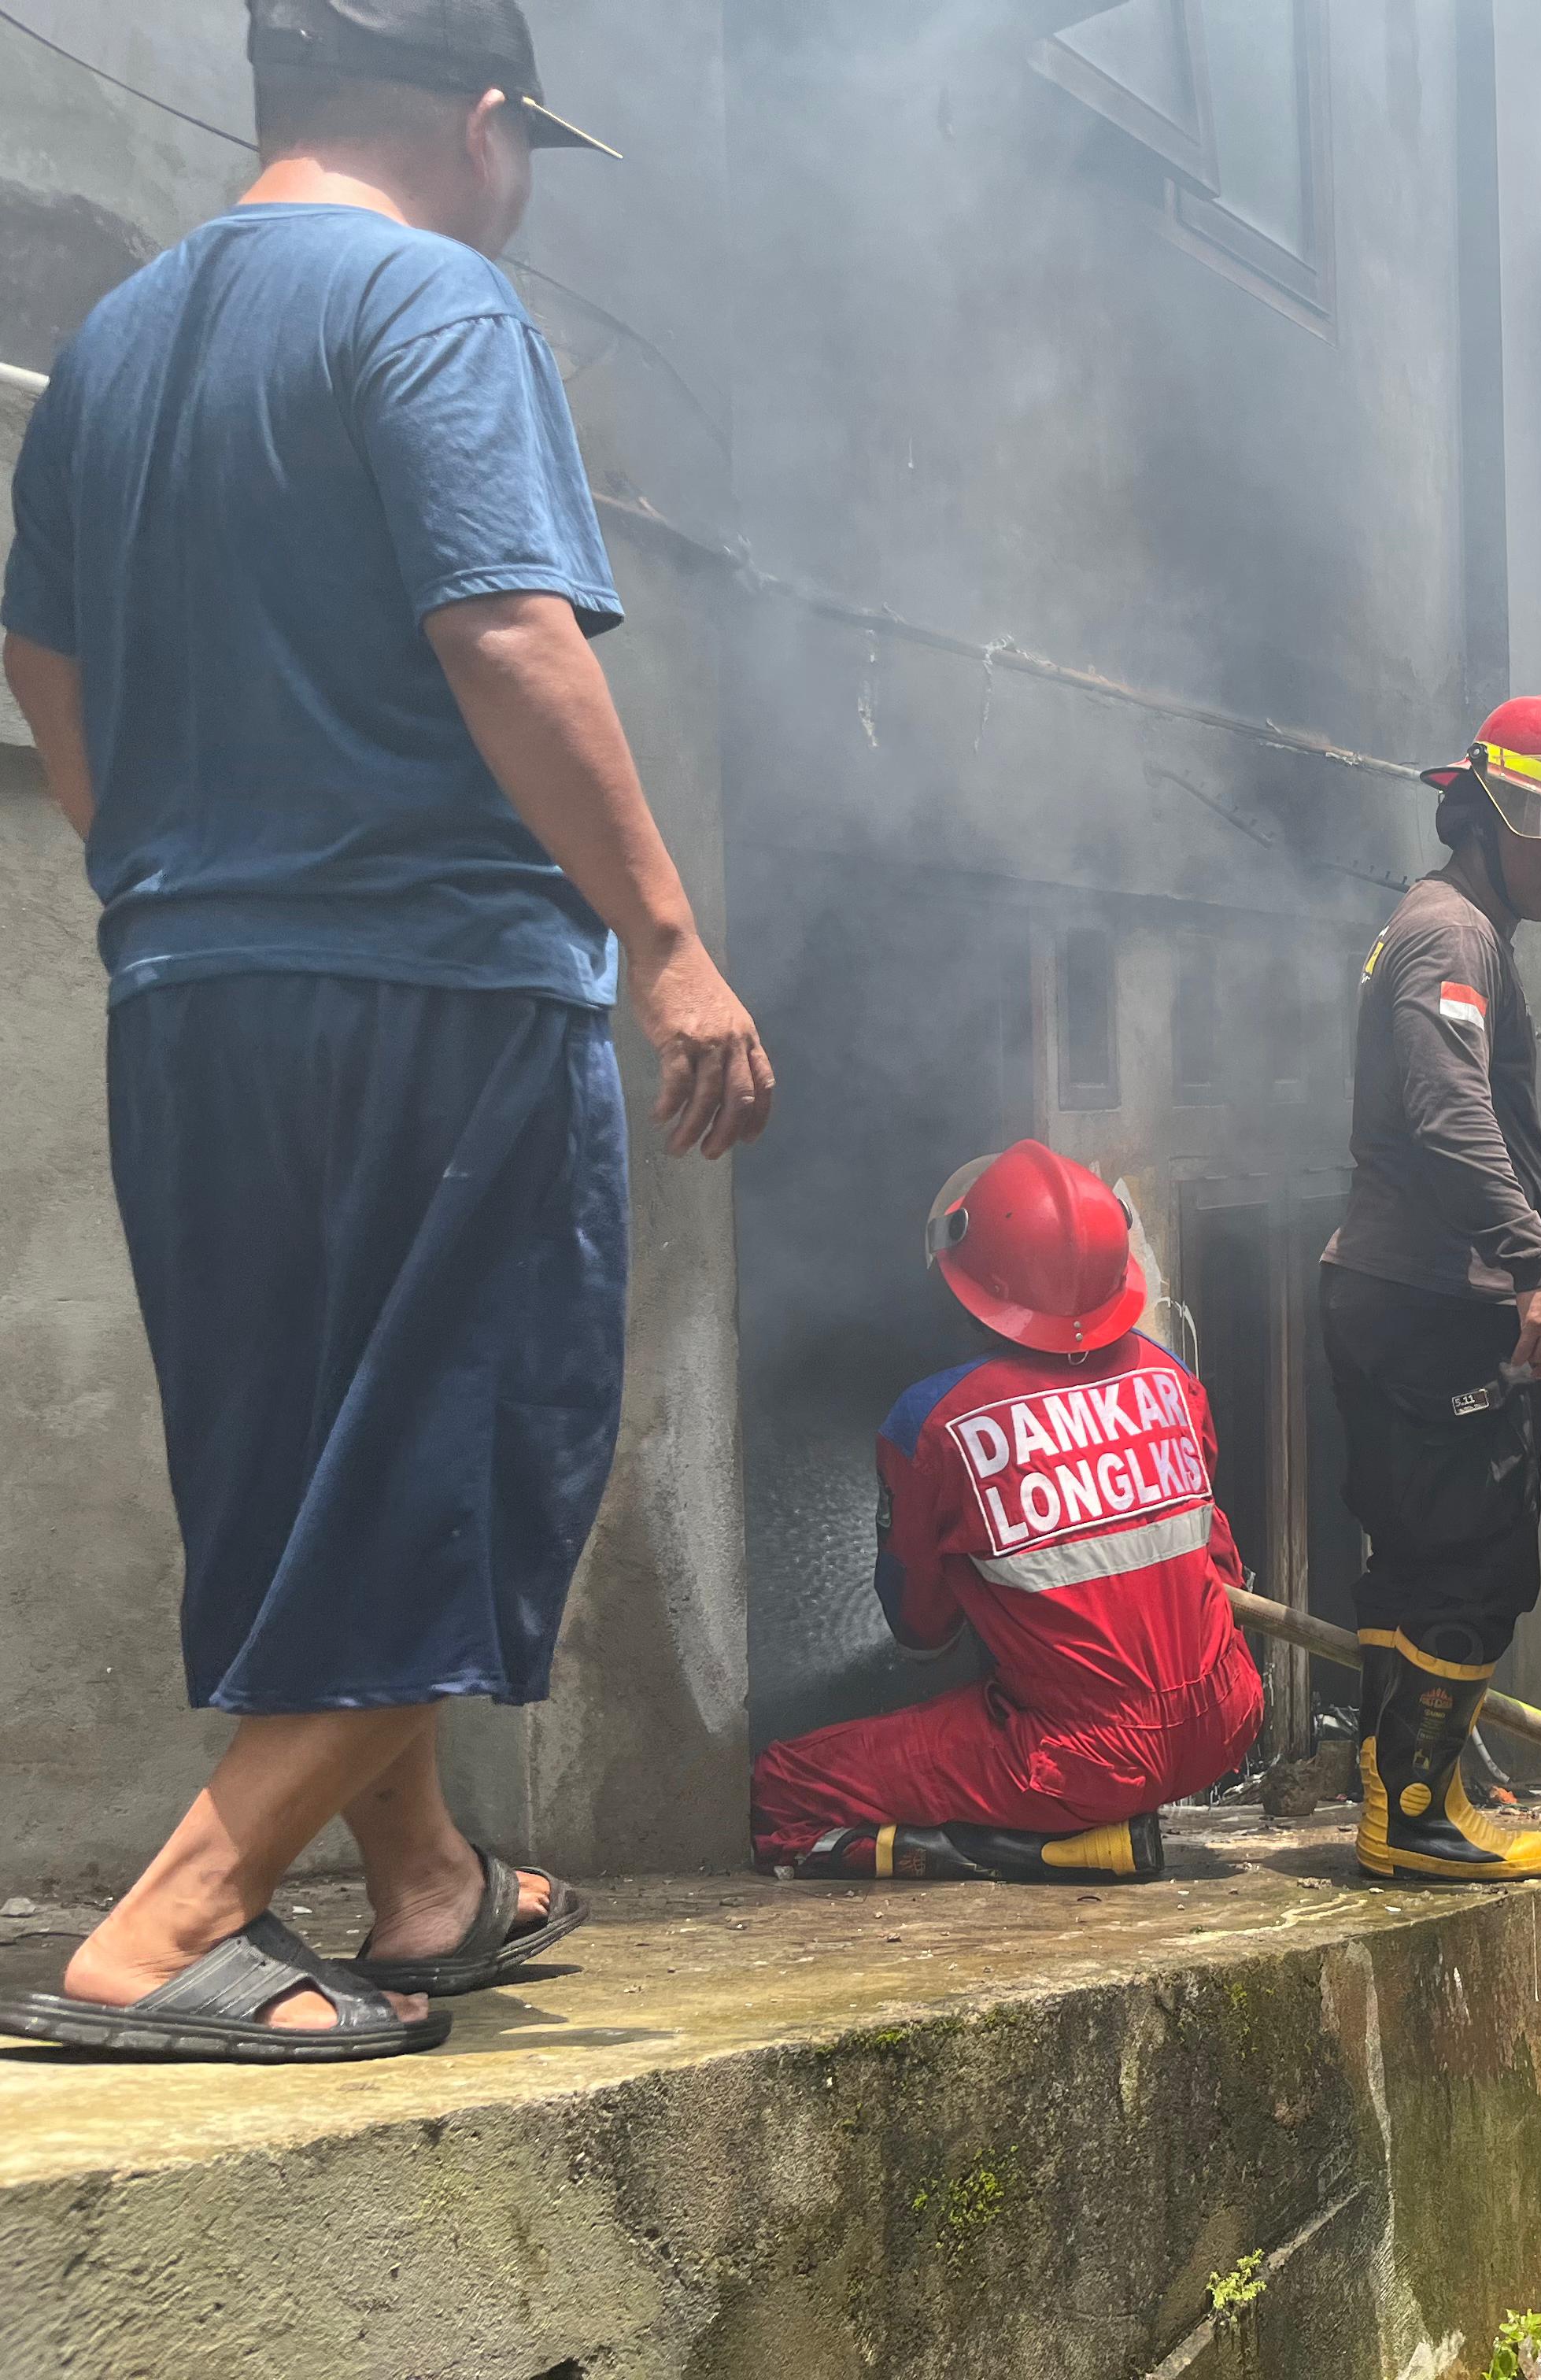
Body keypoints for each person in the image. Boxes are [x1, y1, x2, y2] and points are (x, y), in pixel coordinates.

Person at [0, 0, 766, 2063]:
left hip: (192, 994)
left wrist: (166, 872)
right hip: (430, 983)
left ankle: (424, 1882)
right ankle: (172, 1927)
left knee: (314, 1449)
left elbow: (38, 651)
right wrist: (672, 944)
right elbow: (505, 628)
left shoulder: (124, 344)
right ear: (484, 120)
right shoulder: (437, 301)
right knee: (458, 1452)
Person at [1317, 693, 1541, 1882]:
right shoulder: (1451, 933)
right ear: (1485, 806)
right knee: (1475, 1568)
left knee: (1417, 1562)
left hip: (1409, 1297)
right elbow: (1448, 1117)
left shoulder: (1463, 929)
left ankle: (1412, 1800)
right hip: (1426, 1304)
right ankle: (1412, 1819)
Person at [750, 1144, 1262, 1883]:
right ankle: (1077, 1823)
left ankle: (1039, 1850)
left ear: (971, 1282)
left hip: (1077, 1761)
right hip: (1226, 1719)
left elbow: (920, 1629)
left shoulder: (931, 1421)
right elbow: (1219, 1567)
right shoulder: (1171, 1378)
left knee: (784, 1786)